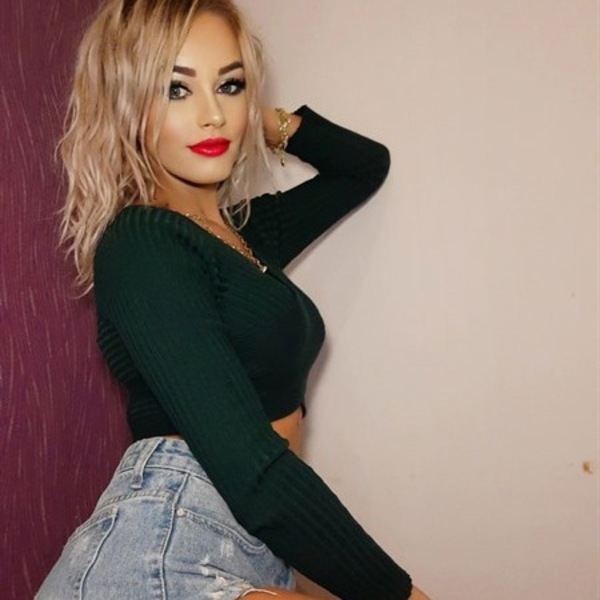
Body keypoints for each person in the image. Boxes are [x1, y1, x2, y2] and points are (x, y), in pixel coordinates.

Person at [37, 1, 432, 599]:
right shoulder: (144, 241)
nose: (212, 115)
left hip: (255, 541)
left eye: (229, 84)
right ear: (127, 105)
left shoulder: (247, 234)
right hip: (169, 536)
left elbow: (363, 168)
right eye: (175, 89)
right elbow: (251, 469)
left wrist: (260, 120)